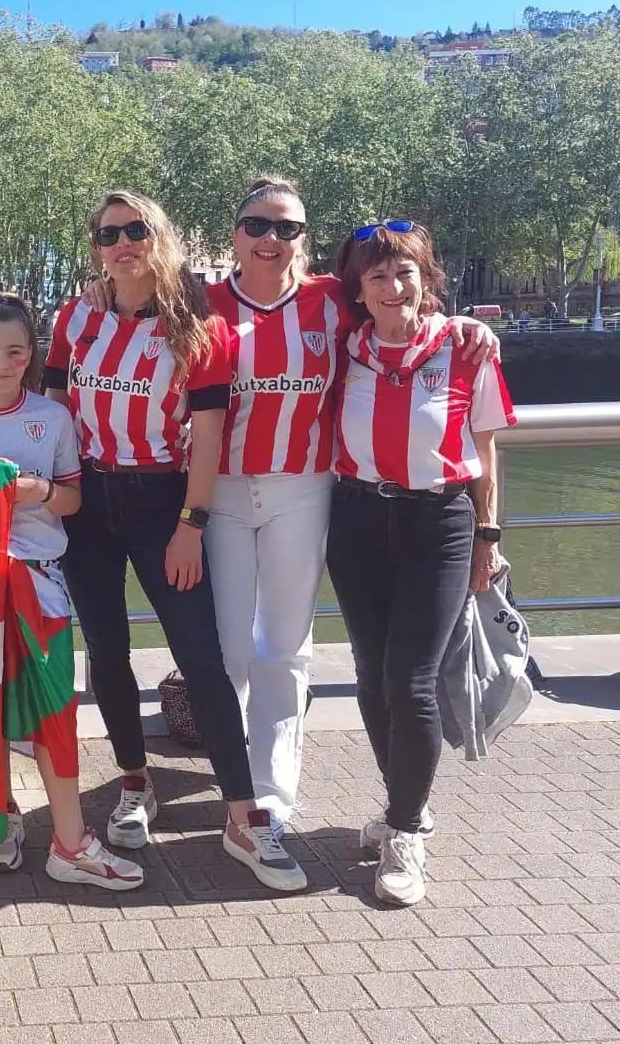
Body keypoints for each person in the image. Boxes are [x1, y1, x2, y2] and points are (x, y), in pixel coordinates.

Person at [197, 177, 497, 830]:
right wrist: (102, 286)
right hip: (219, 491)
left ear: (304, 239)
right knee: (226, 653)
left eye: (288, 228)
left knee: (283, 648)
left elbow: (409, 314)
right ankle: (233, 782)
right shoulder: (199, 301)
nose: (271, 239)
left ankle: (272, 796)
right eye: (257, 225)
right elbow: (128, 305)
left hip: (302, 489)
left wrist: (465, 324)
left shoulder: (333, 302)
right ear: (235, 234)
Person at [45, 188, 306, 892]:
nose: (122, 244)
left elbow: (210, 439)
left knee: (203, 658)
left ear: (161, 238)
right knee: (106, 649)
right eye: (108, 235)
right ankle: (134, 782)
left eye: (136, 231)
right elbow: (50, 412)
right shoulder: (76, 318)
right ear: (95, 247)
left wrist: (191, 525)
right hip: (88, 503)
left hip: (164, 500)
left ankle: (243, 815)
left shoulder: (199, 326)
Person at [327, 220, 514, 907]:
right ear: (360, 289)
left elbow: (486, 452)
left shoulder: (465, 350)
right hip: (354, 518)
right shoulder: (344, 350)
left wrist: (487, 538)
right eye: (377, 275)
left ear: (426, 278)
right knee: (372, 675)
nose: (392, 286)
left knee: (412, 681)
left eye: (404, 272)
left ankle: (407, 831)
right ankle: (403, 802)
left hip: (439, 522)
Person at [0, 296, 143, 890]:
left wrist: (39, 491)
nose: (2, 363)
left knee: (55, 709)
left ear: (31, 356)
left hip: (40, 579)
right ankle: (1, 817)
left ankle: (70, 841)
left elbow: (74, 501)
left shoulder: (53, 420)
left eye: (15, 352)